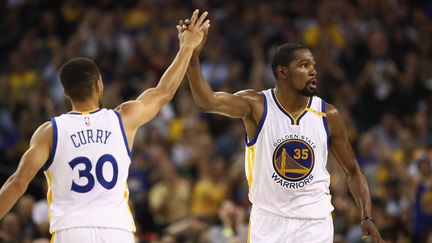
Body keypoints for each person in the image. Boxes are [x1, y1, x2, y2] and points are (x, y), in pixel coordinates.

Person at [0, 9, 210, 243]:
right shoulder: (123, 119)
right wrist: (187, 47)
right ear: (99, 85)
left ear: (66, 93)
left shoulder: (50, 132)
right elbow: (164, 91)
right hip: (116, 231)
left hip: (72, 231)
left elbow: (18, 182)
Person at [181, 21, 384, 242]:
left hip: (314, 222)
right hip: (268, 221)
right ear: (282, 72)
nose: (313, 71)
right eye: (304, 65)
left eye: (313, 65)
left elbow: (353, 171)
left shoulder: (328, 114)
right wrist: (192, 57)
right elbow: (207, 102)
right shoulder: (256, 105)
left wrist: (367, 217)